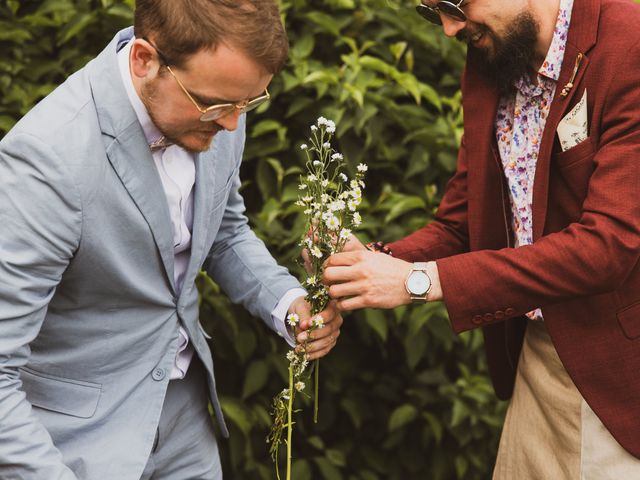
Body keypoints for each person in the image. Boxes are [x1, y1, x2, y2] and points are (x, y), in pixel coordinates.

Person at [0, 1, 342, 479]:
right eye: (217, 105)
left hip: (185, 421)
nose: (231, 124)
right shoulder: (49, 159)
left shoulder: (221, 101)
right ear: (145, 60)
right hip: (74, 444)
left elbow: (223, 231)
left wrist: (286, 303)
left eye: (247, 103)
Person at [323, 0, 640, 477]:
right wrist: (368, 266)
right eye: (431, 13)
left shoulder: (630, 44)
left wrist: (418, 282)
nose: (450, 29)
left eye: (453, 4)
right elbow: (463, 222)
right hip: (537, 362)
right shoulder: (494, 56)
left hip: (619, 372)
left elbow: (606, 248)